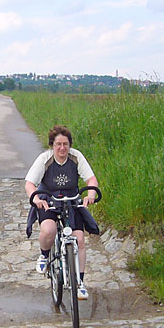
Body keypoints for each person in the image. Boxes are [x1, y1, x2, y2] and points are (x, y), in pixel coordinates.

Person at [24, 125, 99, 300]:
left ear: (70, 145)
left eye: (65, 144)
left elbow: (91, 179)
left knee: (79, 239)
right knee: (49, 230)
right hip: (48, 201)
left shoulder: (76, 157)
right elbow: (30, 183)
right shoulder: (45, 159)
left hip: (71, 202)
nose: (62, 148)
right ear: (52, 145)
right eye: (58, 144)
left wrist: (91, 194)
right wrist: (36, 199)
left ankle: (79, 283)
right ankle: (44, 255)